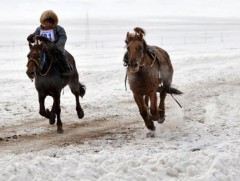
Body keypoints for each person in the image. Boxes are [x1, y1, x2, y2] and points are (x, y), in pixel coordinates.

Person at [29, 10, 71, 77]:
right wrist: (31, 37)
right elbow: (35, 35)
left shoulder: (59, 29)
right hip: (42, 48)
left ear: (53, 23)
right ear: (44, 22)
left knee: (60, 56)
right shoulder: (39, 29)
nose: (48, 24)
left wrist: (57, 45)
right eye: (46, 22)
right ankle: (31, 70)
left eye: (50, 22)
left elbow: (63, 37)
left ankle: (66, 69)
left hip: (54, 47)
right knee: (33, 55)